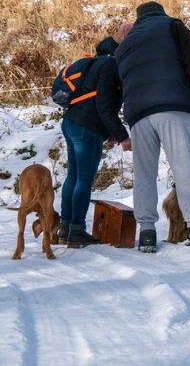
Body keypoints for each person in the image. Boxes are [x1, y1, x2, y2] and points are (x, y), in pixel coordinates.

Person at [115, 1, 190, 253]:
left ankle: (147, 232)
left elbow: (119, 82)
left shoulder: (125, 44)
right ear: (161, 13)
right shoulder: (172, 26)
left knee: (144, 174)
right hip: (173, 106)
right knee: (184, 168)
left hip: (139, 115)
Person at [59, 36, 132, 247]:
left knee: (72, 177)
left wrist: (108, 130)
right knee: (84, 179)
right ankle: (77, 230)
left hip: (71, 122)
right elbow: (104, 106)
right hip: (86, 129)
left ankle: (65, 228)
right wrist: (122, 136)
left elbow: (95, 102)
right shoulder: (109, 66)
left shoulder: (91, 64)